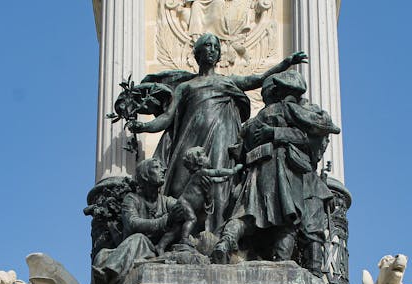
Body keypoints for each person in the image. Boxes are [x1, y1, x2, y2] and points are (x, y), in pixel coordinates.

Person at [129, 33, 307, 232]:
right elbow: (166, 118)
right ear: (197, 53)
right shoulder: (185, 86)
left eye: (215, 47)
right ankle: (180, 233)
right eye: (207, 46)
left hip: (222, 137)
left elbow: (258, 79)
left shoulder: (228, 81)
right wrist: (144, 127)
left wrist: (286, 63)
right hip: (190, 140)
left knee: (219, 187)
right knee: (179, 186)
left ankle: (216, 234)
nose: (212, 50)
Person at [212, 70, 340, 266]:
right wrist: (278, 133)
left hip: (256, 173)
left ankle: (226, 242)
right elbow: (318, 133)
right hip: (284, 171)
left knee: (246, 213)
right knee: (290, 217)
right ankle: (282, 262)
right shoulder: (292, 110)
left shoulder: (257, 119)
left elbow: (239, 148)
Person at [68, 158, 185, 284]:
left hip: (153, 249)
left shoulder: (168, 202)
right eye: (157, 168)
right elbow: (133, 224)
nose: (164, 170)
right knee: (106, 254)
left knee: (134, 242)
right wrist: (165, 220)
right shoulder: (132, 200)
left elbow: (184, 212)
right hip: (136, 249)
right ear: (146, 175)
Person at [156, 146, 243, 254]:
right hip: (185, 203)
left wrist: (224, 179)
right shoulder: (202, 173)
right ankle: (184, 239)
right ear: (198, 162)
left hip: (186, 204)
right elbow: (217, 172)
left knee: (176, 229)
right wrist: (233, 170)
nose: (208, 157)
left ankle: (160, 246)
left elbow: (215, 179)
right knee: (192, 219)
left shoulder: (201, 175)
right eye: (204, 155)